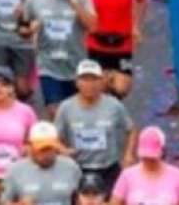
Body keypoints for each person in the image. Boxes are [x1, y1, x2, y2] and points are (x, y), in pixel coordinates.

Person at [54, 60, 136, 196]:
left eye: (93, 79)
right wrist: (63, 150)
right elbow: (54, 137)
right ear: (77, 82)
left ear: (101, 82)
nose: (89, 84)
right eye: (85, 79)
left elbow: (131, 129)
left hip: (109, 167)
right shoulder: (66, 107)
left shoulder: (114, 105)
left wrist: (128, 154)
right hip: (78, 168)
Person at [79, 0, 145, 99]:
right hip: (97, 42)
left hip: (122, 42)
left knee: (122, 88)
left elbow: (141, 0)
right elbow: (80, 8)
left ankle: (114, 110)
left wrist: (136, 26)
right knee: (98, 88)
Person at [1, 121, 82, 204]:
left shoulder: (71, 167)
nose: (46, 154)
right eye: (42, 149)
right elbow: (4, 202)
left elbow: (81, 199)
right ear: (30, 147)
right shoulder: (15, 170)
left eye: (50, 148)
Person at [109, 127, 179, 205]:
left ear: (162, 152)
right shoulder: (127, 176)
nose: (149, 161)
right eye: (145, 157)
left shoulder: (176, 175)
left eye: (152, 158)